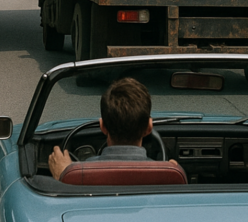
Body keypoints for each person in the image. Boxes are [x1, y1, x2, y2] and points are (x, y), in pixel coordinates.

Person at [48, 76, 176, 181]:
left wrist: (63, 176)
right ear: (149, 128)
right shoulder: (168, 175)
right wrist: (171, 173)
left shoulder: (79, 176)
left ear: (103, 127)